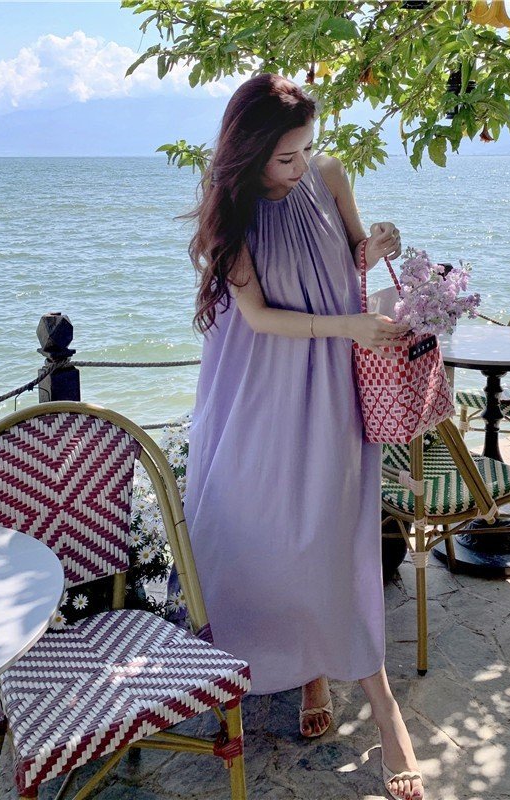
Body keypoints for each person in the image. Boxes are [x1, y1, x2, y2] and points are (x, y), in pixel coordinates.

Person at [181, 73, 425, 800]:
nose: (299, 167)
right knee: (268, 535)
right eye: (286, 157)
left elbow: (352, 257)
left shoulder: (329, 175)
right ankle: (306, 669)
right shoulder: (231, 216)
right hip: (260, 393)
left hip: (332, 386)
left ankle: (384, 712)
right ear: (249, 150)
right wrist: (349, 325)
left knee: (334, 533)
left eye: (306, 151)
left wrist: (376, 243)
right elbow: (259, 318)